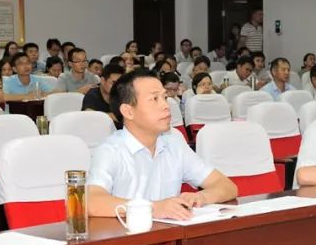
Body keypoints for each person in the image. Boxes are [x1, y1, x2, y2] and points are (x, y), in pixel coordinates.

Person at [87, 69, 237, 220]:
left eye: (165, 97)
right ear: (128, 111)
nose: (166, 105)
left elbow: (227, 186)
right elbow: (91, 202)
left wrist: (201, 197)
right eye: (154, 99)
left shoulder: (174, 143)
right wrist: (153, 208)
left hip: (170, 231)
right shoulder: (110, 150)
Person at [82, 63, 122, 128]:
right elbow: (88, 114)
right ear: (103, 81)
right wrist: (114, 116)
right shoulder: (92, 94)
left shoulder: (122, 94)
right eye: (114, 83)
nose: (117, 87)